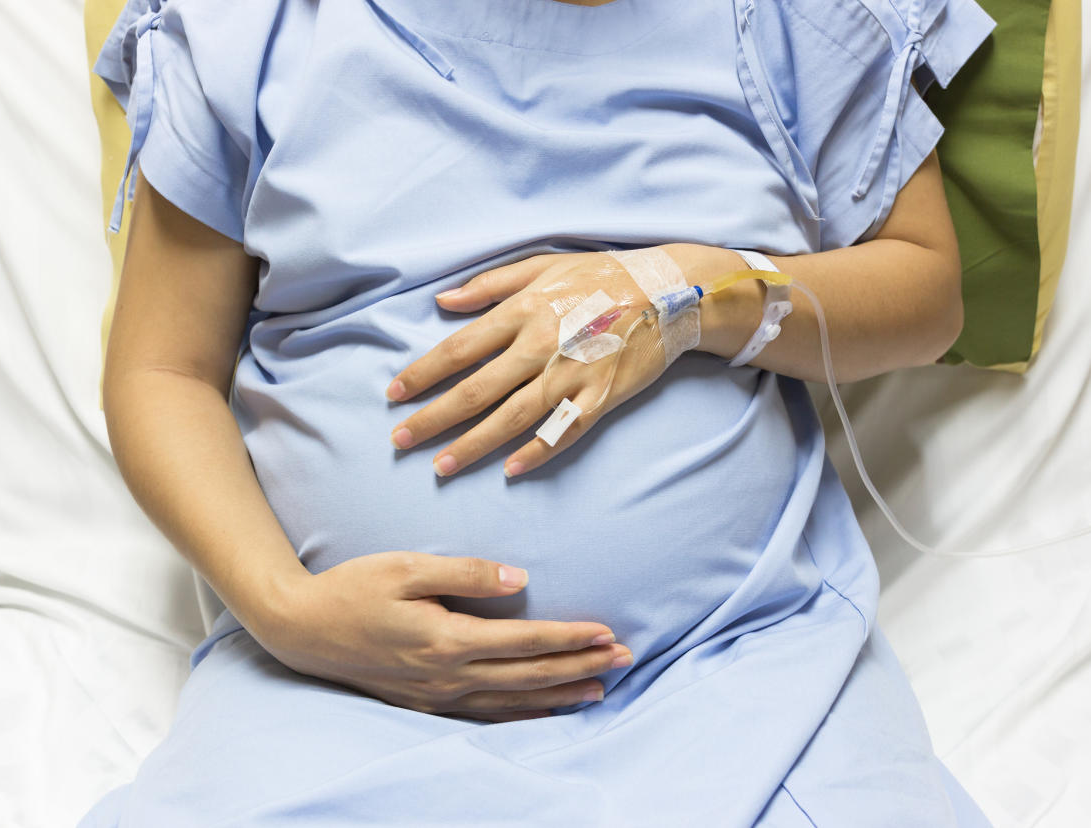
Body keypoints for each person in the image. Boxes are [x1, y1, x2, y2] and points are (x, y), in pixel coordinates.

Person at [85, 0, 996, 823]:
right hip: (338, 692)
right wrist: (287, 612)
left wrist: (686, 293)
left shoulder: (789, 21)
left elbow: (925, 290)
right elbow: (162, 371)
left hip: (739, 671)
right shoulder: (259, 28)